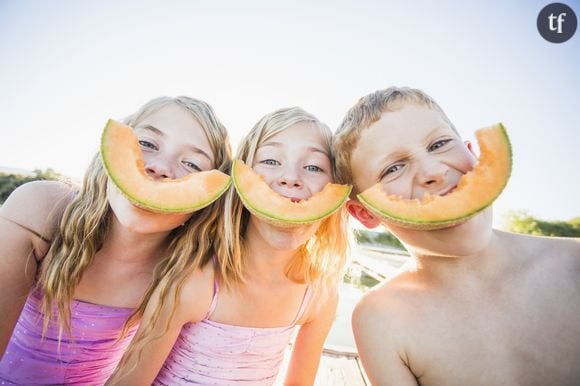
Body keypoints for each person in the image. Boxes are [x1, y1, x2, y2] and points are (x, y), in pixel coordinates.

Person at [333, 86, 580, 386]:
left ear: (472, 152)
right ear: (366, 214)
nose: (433, 171)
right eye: (393, 168)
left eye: (439, 144)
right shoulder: (380, 319)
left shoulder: (574, 263)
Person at [107, 107, 350, 385]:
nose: (290, 178)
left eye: (314, 167)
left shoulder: (319, 295)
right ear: (241, 176)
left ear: (335, 188)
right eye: (271, 160)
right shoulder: (195, 283)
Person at [0, 96, 232, 384]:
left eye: (192, 164)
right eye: (147, 144)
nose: (159, 167)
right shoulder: (39, 211)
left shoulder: (184, 273)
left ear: (208, 199)